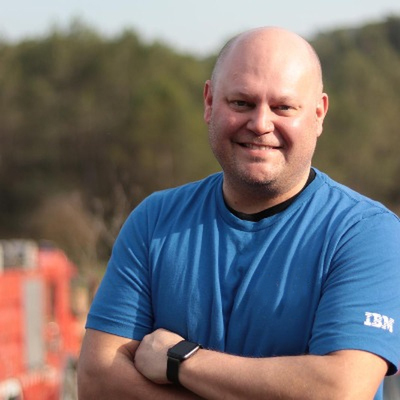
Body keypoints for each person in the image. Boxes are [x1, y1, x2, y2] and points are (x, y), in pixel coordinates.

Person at [77, 27, 400, 400]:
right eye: (242, 103)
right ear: (209, 102)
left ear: (318, 113)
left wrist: (181, 360)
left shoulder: (366, 234)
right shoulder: (154, 222)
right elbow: (98, 380)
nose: (261, 124)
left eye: (283, 107)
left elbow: (340, 390)